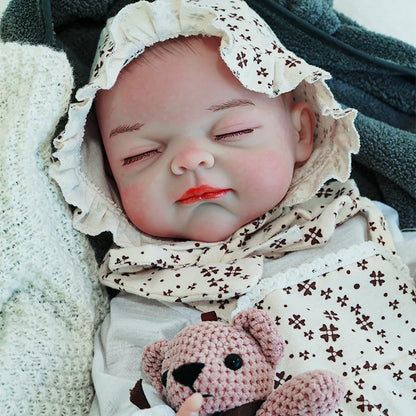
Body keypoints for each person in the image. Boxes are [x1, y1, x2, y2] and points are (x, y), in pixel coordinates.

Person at [49, 0, 415, 415]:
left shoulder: (353, 218)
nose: (189, 160)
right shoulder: (152, 295)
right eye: (141, 154)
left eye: (231, 131)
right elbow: (124, 396)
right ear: (106, 180)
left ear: (300, 132)